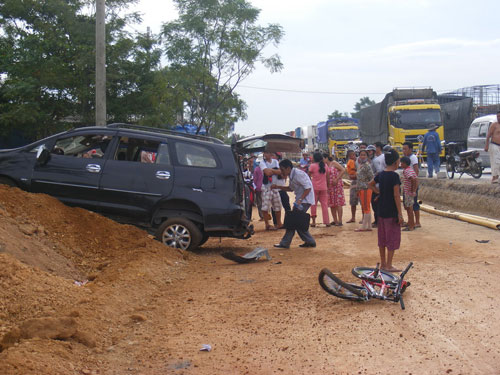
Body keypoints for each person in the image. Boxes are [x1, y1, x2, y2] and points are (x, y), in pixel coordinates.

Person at [369, 149, 403, 272]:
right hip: (391, 211)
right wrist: (400, 213)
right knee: (392, 238)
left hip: (381, 210)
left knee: (382, 238)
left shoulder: (380, 175)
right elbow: (396, 196)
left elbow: (370, 184)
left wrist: (379, 193)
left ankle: (383, 263)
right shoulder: (395, 176)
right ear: (396, 162)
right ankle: (389, 265)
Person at [272, 159, 316, 249]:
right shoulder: (292, 175)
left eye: (282, 169)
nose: (281, 172)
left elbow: (308, 188)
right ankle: (309, 241)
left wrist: (300, 199)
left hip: (304, 201)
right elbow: (290, 188)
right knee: (295, 222)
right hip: (302, 201)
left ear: (288, 168)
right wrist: (278, 187)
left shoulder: (298, 174)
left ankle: (286, 243)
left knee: (293, 221)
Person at [260, 151, 283, 230]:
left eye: (268, 152)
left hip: (274, 187)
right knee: (265, 207)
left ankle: (278, 223)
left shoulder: (274, 161)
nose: (267, 154)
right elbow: (267, 173)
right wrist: (274, 171)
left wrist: (271, 171)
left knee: (278, 206)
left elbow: (279, 172)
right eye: (266, 153)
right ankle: (267, 224)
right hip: (267, 187)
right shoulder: (262, 163)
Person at [308, 152, 330, 227]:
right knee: (324, 205)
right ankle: (327, 221)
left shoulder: (312, 166)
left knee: (313, 204)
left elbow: (308, 175)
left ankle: (313, 221)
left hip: (314, 187)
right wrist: (328, 186)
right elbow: (327, 177)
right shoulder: (325, 166)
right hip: (324, 187)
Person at [402, 142, 421, 228]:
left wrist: (414, 187)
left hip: (412, 186)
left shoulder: (413, 158)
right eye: (403, 149)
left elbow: (416, 170)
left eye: (405, 149)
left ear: (410, 149)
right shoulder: (406, 158)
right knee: (407, 205)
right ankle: (410, 221)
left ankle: (417, 222)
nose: (403, 151)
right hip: (408, 186)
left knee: (413, 204)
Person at [355, 150, 374, 232]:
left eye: (364, 155)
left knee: (366, 207)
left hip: (365, 188)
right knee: (366, 206)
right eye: (361, 155)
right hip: (361, 188)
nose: (362, 156)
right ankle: (368, 225)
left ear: (367, 156)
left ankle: (364, 226)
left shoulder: (367, 166)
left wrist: (368, 185)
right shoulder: (361, 165)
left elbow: (372, 177)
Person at [324, 153, 346, 226]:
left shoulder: (334, 163)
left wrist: (337, 179)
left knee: (338, 202)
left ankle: (340, 220)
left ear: (326, 158)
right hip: (330, 186)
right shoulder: (325, 166)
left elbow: (343, 170)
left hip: (337, 185)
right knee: (332, 203)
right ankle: (335, 220)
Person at [400, 156, 418, 231]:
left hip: (408, 192)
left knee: (409, 209)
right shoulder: (410, 170)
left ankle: (411, 225)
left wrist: (412, 190)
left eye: (401, 163)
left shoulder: (407, 171)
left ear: (404, 163)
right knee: (408, 208)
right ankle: (411, 223)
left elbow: (413, 180)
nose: (400, 164)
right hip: (409, 192)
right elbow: (415, 180)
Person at [371, 142, 386, 228]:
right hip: (375, 184)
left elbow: (380, 170)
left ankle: (379, 221)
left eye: (374, 147)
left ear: (379, 148)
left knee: (379, 204)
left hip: (380, 184)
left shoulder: (382, 158)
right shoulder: (374, 159)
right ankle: (377, 220)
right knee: (374, 204)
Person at [485, 111, 500, 184]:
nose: (499, 118)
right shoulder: (494, 125)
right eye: (498, 117)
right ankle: (494, 177)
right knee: (495, 162)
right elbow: (488, 136)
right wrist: (486, 145)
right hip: (494, 145)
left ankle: (497, 177)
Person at [345, 150, 358, 223]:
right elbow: (353, 169)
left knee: (356, 201)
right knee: (353, 200)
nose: (354, 156)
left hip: (355, 179)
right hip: (354, 180)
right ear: (350, 156)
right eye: (353, 155)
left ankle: (353, 217)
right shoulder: (352, 162)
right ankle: (353, 217)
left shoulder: (352, 161)